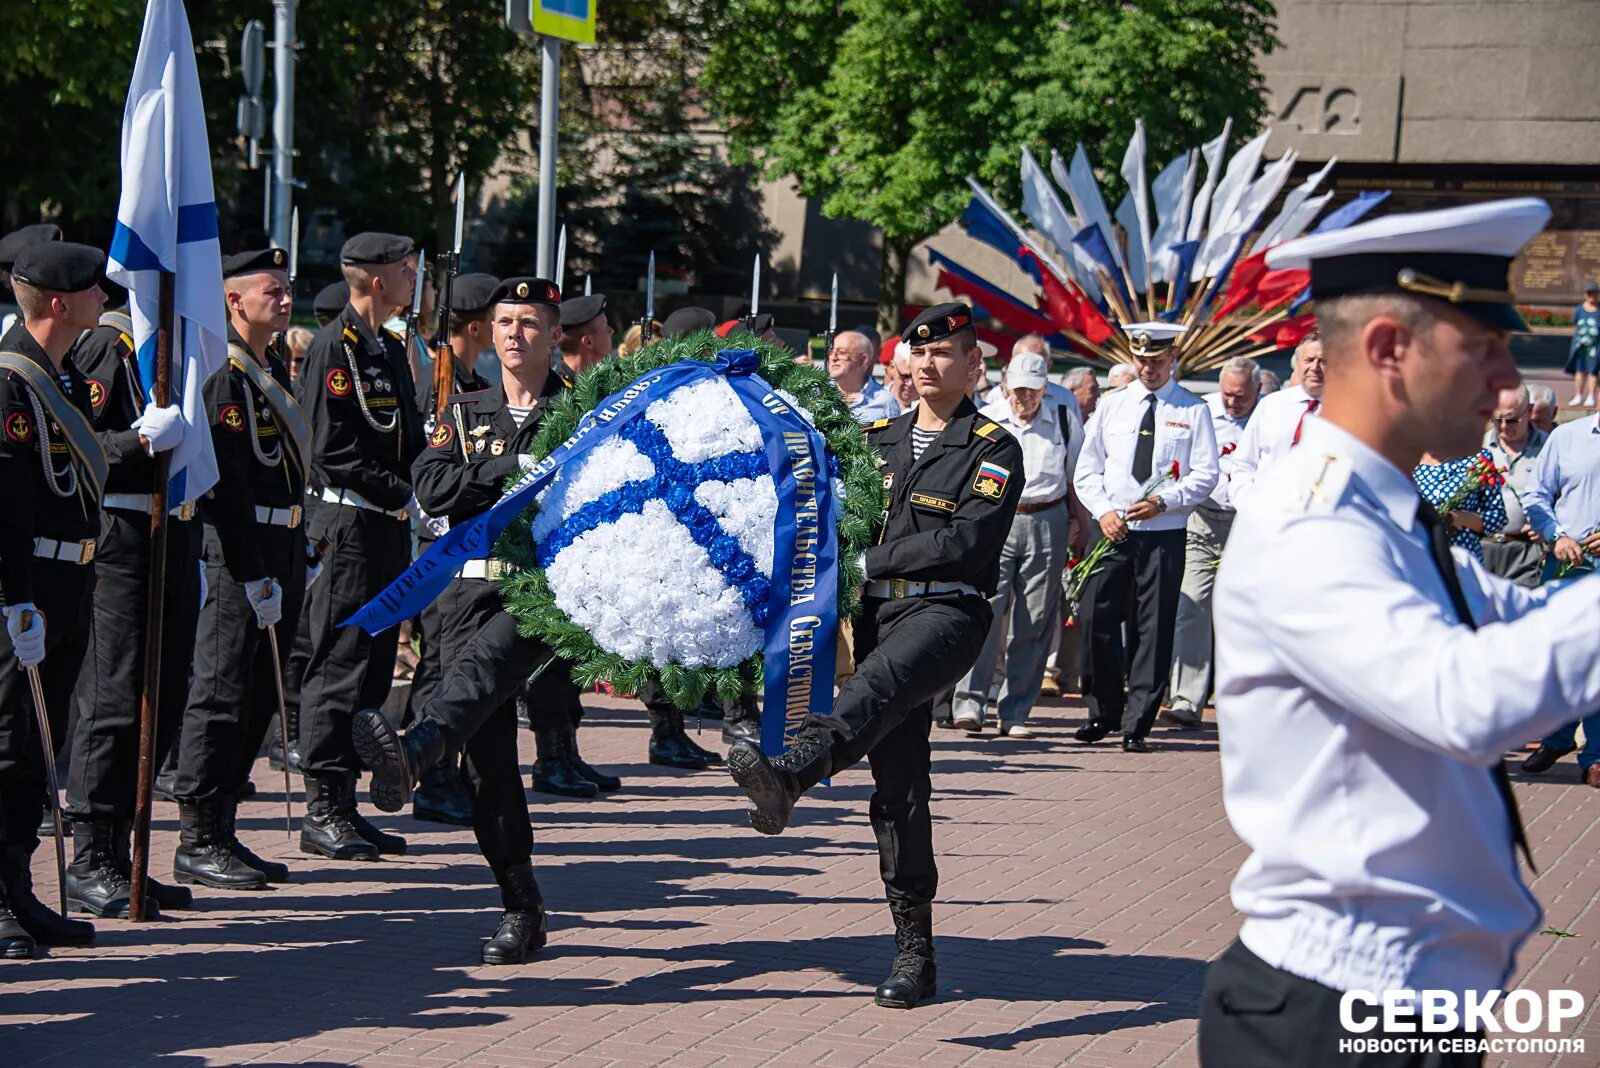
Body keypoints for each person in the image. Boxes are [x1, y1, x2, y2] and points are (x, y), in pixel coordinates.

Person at [1200, 197, 1588, 1066]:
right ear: (1385, 350)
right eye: (1483, 348)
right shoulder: (1315, 520)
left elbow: (1524, 630)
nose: (1505, 380)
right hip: (1332, 1014)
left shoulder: (1384, 507)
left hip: (1399, 1000)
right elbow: (1469, 698)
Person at [726, 302, 1024, 1010]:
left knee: (883, 684)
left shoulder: (993, 447)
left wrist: (867, 556)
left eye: (946, 352)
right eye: (919, 353)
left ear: (975, 364)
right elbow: (826, 512)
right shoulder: (874, 438)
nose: (929, 363)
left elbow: (966, 544)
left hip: (946, 610)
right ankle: (913, 950)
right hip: (873, 611)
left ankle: (793, 770)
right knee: (899, 787)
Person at [352, 276, 606, 963]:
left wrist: (485, 476)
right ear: (489, 333)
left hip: (536, 596)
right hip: (460, 594)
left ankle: (413, 750)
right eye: (504, 322)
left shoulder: (583, 414)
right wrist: (512, 469)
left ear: (556, 336)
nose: (515, 334)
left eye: (529, 323)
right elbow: (431, 487)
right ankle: (521, 905)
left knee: (484, 672)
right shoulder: (461, 411)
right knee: (488, 765)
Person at [64, 278, 202, 919]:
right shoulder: (111, 344)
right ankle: (90, 856)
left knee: (165, 691)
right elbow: (75, 447)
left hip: (172, 530)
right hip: (121, 533)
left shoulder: (179, 347)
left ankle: (124, 851)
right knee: (116, 697)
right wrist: (137, 442)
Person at [169, 248, 306, 891]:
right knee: (221, 695)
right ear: (232, 302)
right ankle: (197, 835)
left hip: (278, 549)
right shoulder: (225, 375)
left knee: (253, 697)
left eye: (285, 289)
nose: (283, 298)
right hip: (239, 557)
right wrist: (254, 572)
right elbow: (226, 488)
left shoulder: (267, 366)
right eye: (270, 290)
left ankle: (223, 828)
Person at [295, 232, 425, 862]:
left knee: (373, 663)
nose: (412, 281)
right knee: (340, 663)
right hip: (347, 526)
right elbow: (331, 450)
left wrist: (426, 482)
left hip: (384, 525)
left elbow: (407, 435)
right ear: (377, 280)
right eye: (405, 272)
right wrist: (404, 490)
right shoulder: (332, 349)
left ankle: (346, 803)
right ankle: (323, 805)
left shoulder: (388, 347)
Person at [0, 243, 111, 954]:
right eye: (96, 289)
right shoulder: (11, 382)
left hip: (70, 579)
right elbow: (6, 500)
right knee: (9, 744)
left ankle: (17, 886)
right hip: (28, 586)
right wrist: (16, 598)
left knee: (41, 751)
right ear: (62, 304)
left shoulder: (60, 376)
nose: (107, 297)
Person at [1071, 323, 1219, 753]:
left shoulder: (1193, 410)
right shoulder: (1113, 405)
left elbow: (1206, 473)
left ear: (1172, 359)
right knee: (1096, 617)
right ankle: (1103, 712)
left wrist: (1166, 501)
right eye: (1141, 361)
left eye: (1155, 361)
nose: (1148, 369)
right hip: (1114, 531)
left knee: (1151, 630)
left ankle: (1138, 722)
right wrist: (1104, 512)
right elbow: (1087, 469)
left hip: (1163, 533)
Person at [949, 351, 1080, 737]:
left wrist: (1079, 523)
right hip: (997, 517)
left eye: (1032, 391)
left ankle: (1016, 711)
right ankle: (970, 704)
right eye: (1018, 390)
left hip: (1047, 516)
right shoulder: (988, 416)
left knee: (1034, 618)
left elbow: (1075, 476)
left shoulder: (1062, 418)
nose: (1024, 398)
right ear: (1005, 386)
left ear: (1045, 387)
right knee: (984, 609)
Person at [1164, 356, 1260, 729]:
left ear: (1257, 390)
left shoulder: (1264, 419)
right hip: (1203, 518)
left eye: (1241, 396)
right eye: (1227, 394)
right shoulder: (1203, 414)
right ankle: (1187, 697)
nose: (1233, 402)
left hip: (1246, 524)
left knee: (1243, 613)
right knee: (1193, 605)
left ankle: (1239, 697)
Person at [1517, 383, 1600, 787]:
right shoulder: (1567, 438)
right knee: (1561, 654)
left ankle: (1596, 755)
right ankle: (1557, 737)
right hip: (1568, 562)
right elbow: (1536, 494)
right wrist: (1556, 534)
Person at [1226, 333, 1325, 506]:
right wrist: (1246, 504)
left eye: (1324, 361)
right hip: (1263, 516)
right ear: (1298, 363)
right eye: (1309, 360)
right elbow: (1244, 463)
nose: (1315, 367)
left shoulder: (1347, 413)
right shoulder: (1272, 405)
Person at [1482, 385, 1546, 588]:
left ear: (1529, 411)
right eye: (1496, 419)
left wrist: (1548, 523)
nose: (1502, 426)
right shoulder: (1476, 445)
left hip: (1526, 552)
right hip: (1481, 547)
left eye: (1511, 420)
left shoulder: (1550, 447)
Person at [1412, 447, 1508, 563]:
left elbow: (1498, 516)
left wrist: (1462, 518)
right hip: (1422, 556)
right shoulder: (1409, 457)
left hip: (1463, 559)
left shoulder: (1477, 458)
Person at [828, 329, 900, 422]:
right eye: (831, 352)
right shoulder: (817, 394)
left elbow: (894, 436)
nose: (833, 358)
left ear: (862, 360)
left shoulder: (885, 402)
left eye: (841, 352)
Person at [555, 293, 614, 381]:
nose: (611, 331)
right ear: (588, 341)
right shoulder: (559, 391)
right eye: (605, 326)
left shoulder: (600, 381)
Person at [1563, 280, 1598, 407]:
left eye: (1594, 293)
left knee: (1592, 371)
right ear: (1586, 295)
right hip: (1580, 346)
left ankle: (1591, 396)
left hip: (1595, 347)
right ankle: (1578, 395)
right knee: (1580, 371)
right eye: (1589, 294)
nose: (1592, 296)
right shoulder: (1579, 309)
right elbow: (1575, 326)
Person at [883, 343, 918, 412]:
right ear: (892, 367)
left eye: (916, 377)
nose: (910, 383)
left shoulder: (933, 409)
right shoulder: (872, 403)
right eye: (905, 376)